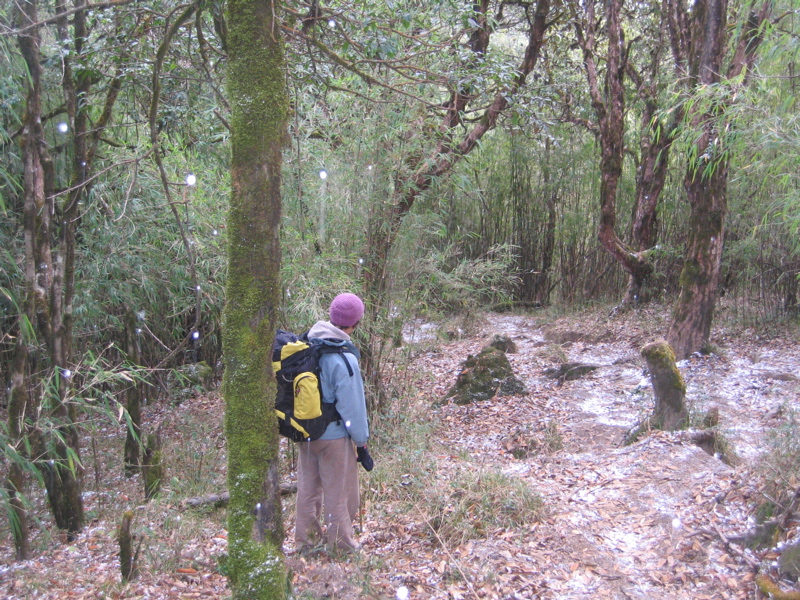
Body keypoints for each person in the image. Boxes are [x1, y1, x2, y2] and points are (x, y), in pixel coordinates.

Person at [294, 292, 374, 554]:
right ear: (355, 323)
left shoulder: (306, 345)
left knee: (308, 490)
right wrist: (361, 443)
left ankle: (306, 543)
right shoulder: (343, 358)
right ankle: (341, 546)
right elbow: (352, 407)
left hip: (306, 433)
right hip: (334, 438)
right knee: (339, 493)